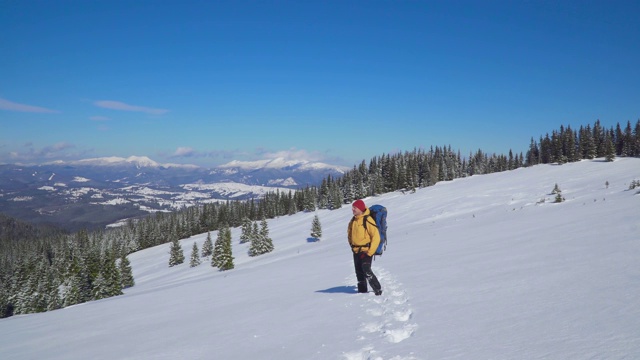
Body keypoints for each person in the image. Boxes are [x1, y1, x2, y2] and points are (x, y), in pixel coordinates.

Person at [347, 199, 383, 296]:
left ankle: (378, 290)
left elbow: (376, 237)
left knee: (366, 269)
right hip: (356, 251)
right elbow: (349, 234)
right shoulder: (353, 220)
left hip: (366, 250)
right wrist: (352, 245)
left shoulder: (367, 219)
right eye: (352, 207)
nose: (353, 209)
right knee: (359, 273)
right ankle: (362, 293)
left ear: (360, 208)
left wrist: (370, 252)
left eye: (355, 207)